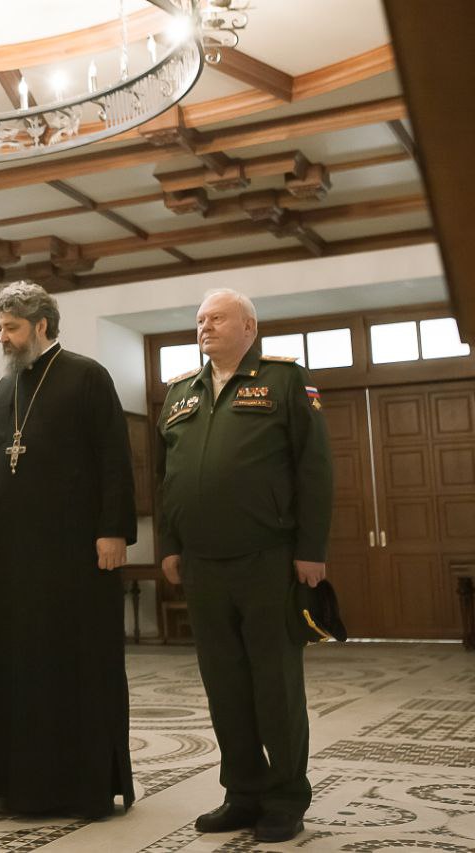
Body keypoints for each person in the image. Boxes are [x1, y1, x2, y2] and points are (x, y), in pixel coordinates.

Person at [158, 288, 333, 844]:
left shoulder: (285, 380)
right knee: (224, 684)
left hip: (268, 557)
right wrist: (169, 544)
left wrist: (311, 549)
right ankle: (243, 793)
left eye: (217, 318)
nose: (204, 327)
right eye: (199, 319)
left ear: (249, 328)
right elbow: (167, 476)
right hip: (202, 562)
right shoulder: (180, 392)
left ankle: (285, 798)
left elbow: (314, 468)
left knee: (274, 682)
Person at [0, 281, 137, 819]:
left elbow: (114, 458)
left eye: (12, 327)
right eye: (0, 327)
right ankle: (19, 783)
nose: (3, 337)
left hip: (75, 556)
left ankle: (80, 787)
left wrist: (114, 530)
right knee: (18, 666)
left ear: (41, 325)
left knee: (75, 665)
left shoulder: (87, 376)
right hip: (15, 557)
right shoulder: (6, 389)